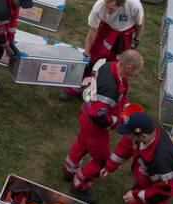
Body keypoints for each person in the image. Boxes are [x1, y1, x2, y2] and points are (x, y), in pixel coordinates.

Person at [61, 49, 143, 181]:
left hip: (86, 114)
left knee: (82, 143)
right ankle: (81, 183)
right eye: (136, 71)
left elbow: (118, 95)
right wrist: (117, 121)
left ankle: (69, 170)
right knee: (103, 159)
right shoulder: (110, 87)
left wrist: (126, 105)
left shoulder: (109, 66)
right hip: (95, 126)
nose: (136, 74)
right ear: (128, 67)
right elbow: (99, 115)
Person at [60, 0, 144, 101]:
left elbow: (139, 24)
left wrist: (136, 40)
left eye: (111, 9)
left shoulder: (134, 6)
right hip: (105, 29)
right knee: (92, 57)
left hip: (124, 33)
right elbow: (93, 31)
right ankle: (77, 87)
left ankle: (110, 92)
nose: (107, 10)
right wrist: (86, 52)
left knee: (118, 64)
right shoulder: (99, 7)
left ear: (121, 5)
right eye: (106, 6)